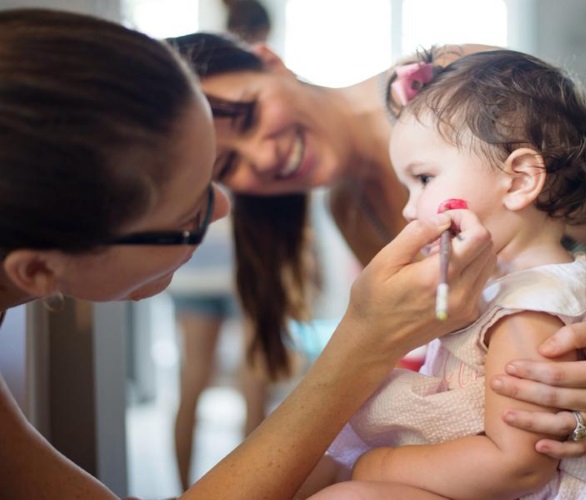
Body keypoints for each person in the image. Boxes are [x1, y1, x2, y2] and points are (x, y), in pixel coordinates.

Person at [171, 33, 586, 500]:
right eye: (229, 165)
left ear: (269, 60)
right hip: (533, 430)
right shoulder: (349, 211)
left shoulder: (460, 91)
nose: (265, 156)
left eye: (247, 117)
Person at [0, 9, 495, 499]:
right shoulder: (352, 210)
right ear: (39, 269)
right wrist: (362, 346)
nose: (220, 209)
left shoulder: (453, 89)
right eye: (191, 208)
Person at [306, 48, 586, 499]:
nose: (410, 208)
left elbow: (518, 467)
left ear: (521, 180)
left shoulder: (531, 309)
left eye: (424, 178)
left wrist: (371, 466)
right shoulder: (502, 285)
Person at [170, 1, 275, 489]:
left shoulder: (191, 85)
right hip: (250, 263)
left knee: (192, 382)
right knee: (254, 386)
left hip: (194, 259)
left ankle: (183, 491)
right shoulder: (259, 100)